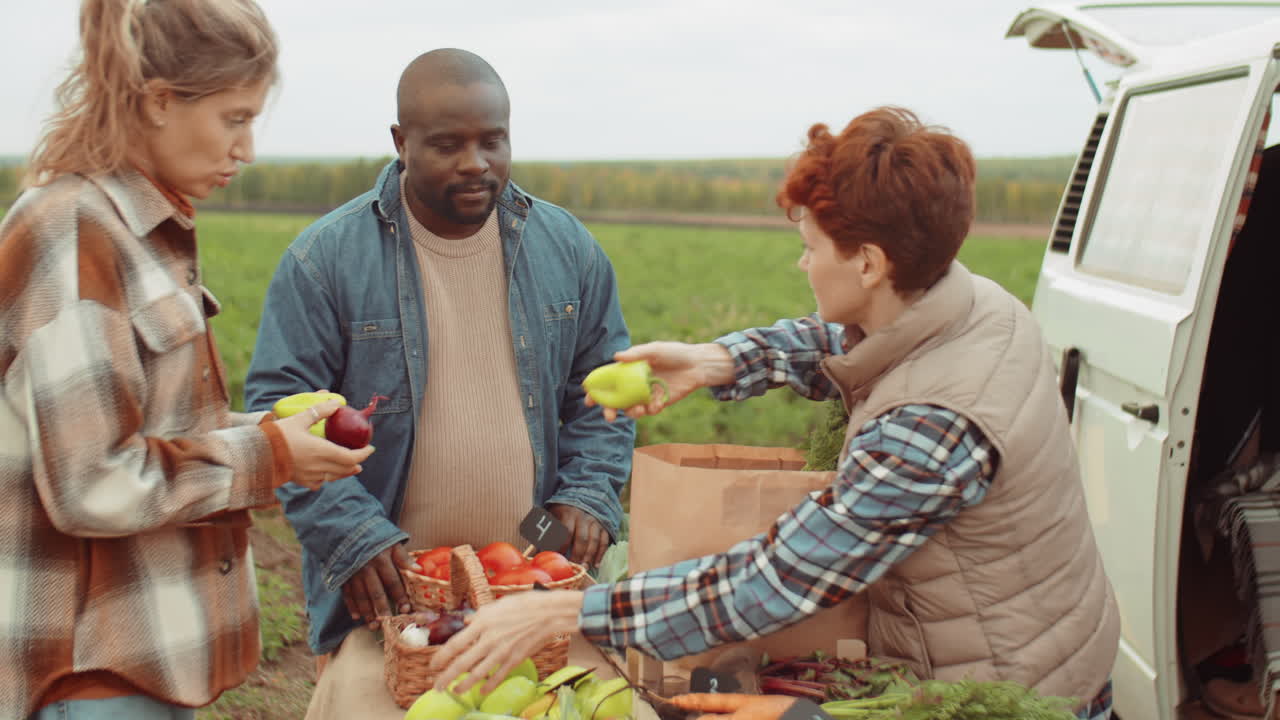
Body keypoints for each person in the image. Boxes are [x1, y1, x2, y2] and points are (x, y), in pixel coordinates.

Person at [431, 107, 1122, 720]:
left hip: (1013, 698)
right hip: (1038, 648)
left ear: (871, 265)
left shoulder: (933, 427)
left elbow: (779, 577)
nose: (801, 263)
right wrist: (716, 361)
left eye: (812, 244)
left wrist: (570, 609)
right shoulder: (976, 306)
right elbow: (853, 346)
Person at [0, 1, 376, 719]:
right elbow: (95, 481)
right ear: (159, 102)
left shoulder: (137, 229)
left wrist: (274, 434)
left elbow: (159, 425)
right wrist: (268, 456)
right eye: (234, 119)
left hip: (138, 654)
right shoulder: (73, 234)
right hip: (88, 670)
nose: (248, 150)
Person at [242, 48, 634, 717]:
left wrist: (590, 494)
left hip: (531, 589)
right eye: (449, 145)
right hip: (395, 607)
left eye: (493, 141)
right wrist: (358, 539)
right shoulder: (326, 260)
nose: (476, 163)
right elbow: (281, 421)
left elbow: (604, 396)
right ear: (401, 143)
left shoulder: (567, 248)